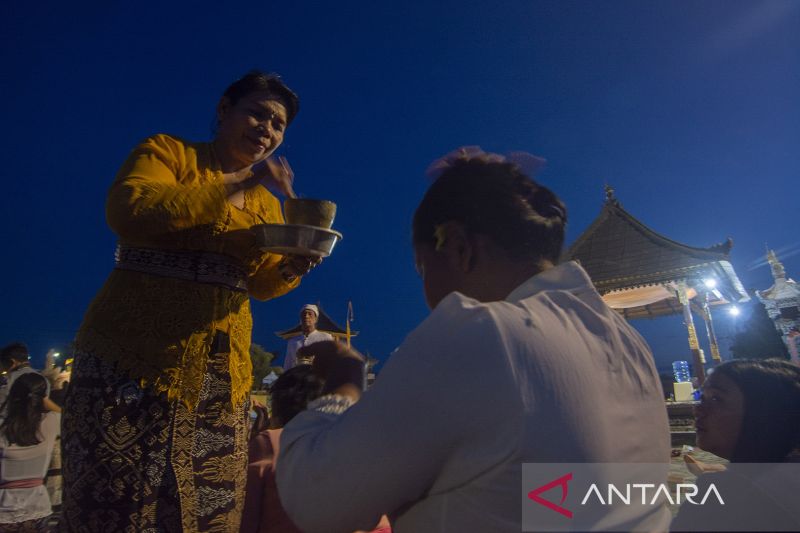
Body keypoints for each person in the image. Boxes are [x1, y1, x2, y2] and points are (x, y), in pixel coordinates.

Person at [275, 149, 672, 532]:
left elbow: (317, 500)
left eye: (422, 268)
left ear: (460, 248)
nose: (426, 290)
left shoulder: (482, 332)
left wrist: (345, 381)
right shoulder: (628, 340)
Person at [61, 71, 320, 532]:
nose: (267, 129)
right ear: (224, 110)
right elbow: (129, 209)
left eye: (278, 124)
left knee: (209, 511)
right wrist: (241, 181)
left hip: (222, 377)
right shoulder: (169, 153)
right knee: (117, 504)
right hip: (130, 360)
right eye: (257, 113)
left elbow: (260, 284)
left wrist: (294, 266)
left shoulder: (268, 204)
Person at [671, 359, 800, 531]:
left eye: (716, 398)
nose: (698, 410)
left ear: (763, 412)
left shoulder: (724, 496)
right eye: (702, 398)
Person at [0, 373, 61, 531]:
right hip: (38, 508)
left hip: (4, 510)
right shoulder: (52, 421)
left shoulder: (3, 428)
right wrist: (45, 400)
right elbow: (68, 415)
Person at [0, 343, 60, 424]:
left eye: (3, 364)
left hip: (12, 426)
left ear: (12, 362)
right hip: (37, 424)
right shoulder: (41, 378)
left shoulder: (13, 378)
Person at [283, 304, 334, 369]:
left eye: (310, 314)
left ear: (316, 319)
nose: (306, 316)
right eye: (304, 314)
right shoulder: (293, 342)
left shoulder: (326, 338)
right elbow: (288, 365)